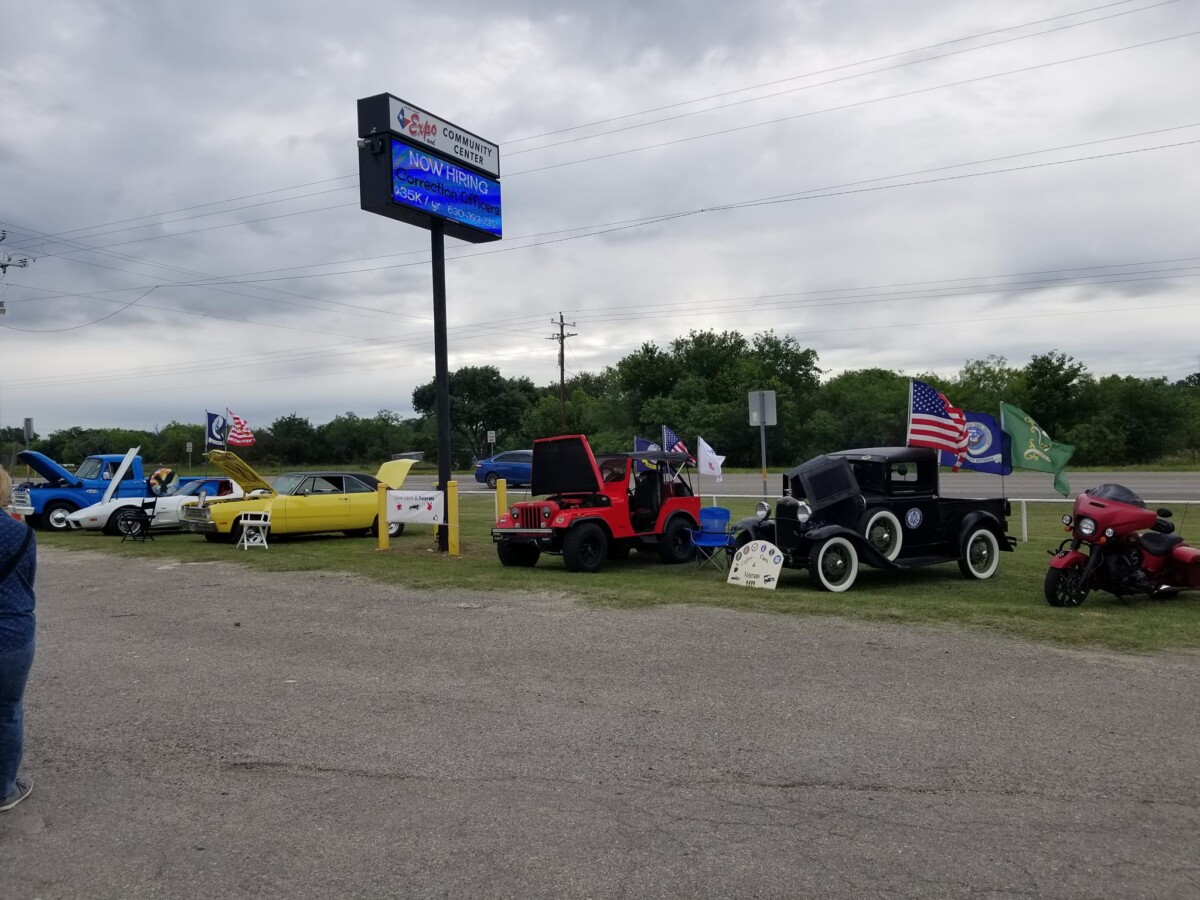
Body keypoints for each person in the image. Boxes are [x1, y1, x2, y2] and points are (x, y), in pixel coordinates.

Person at [0, 465, 36, 811]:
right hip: (10, 630)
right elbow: (28, 578)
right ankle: (4, 789)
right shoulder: (20, 533)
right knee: (7, 710)